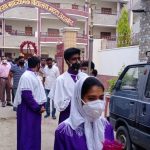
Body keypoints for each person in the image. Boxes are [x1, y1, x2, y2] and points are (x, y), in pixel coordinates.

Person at [54, 77, 114, 150]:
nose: (98, 103)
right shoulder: (64, 131)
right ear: (78, 99)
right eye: (91, 98)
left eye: (101, 98)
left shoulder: (106, 126)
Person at [14, 56, 46, 150]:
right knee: (27, 135)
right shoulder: (26, 76)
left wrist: (42, 105)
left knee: (34, 134)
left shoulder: (34, 75)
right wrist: (38, 108)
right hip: (28, 109)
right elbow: (27, 95)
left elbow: (39, 92)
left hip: (34, 110)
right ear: (37, 65)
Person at [54, 47, 87, 124]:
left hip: (83, 117)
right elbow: (59, 104)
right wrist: (77, 102)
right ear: (67, 61)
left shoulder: (85, 77)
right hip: (67, 117)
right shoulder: (61, 79)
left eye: (79, 58)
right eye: (74, 59)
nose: (78, 61)